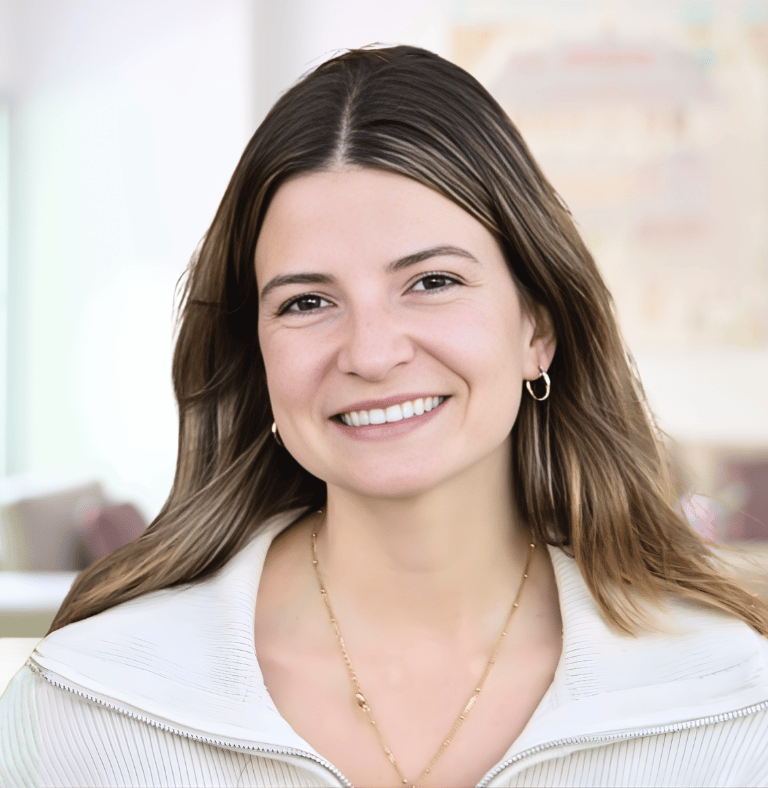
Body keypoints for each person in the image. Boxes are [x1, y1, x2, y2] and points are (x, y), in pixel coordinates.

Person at [1, 44, 767, 788]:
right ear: (258, 355)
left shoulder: (730, 702)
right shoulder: (91, 700)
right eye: (307, 302)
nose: (370, 352)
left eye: (432, 281)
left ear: (537, 327)